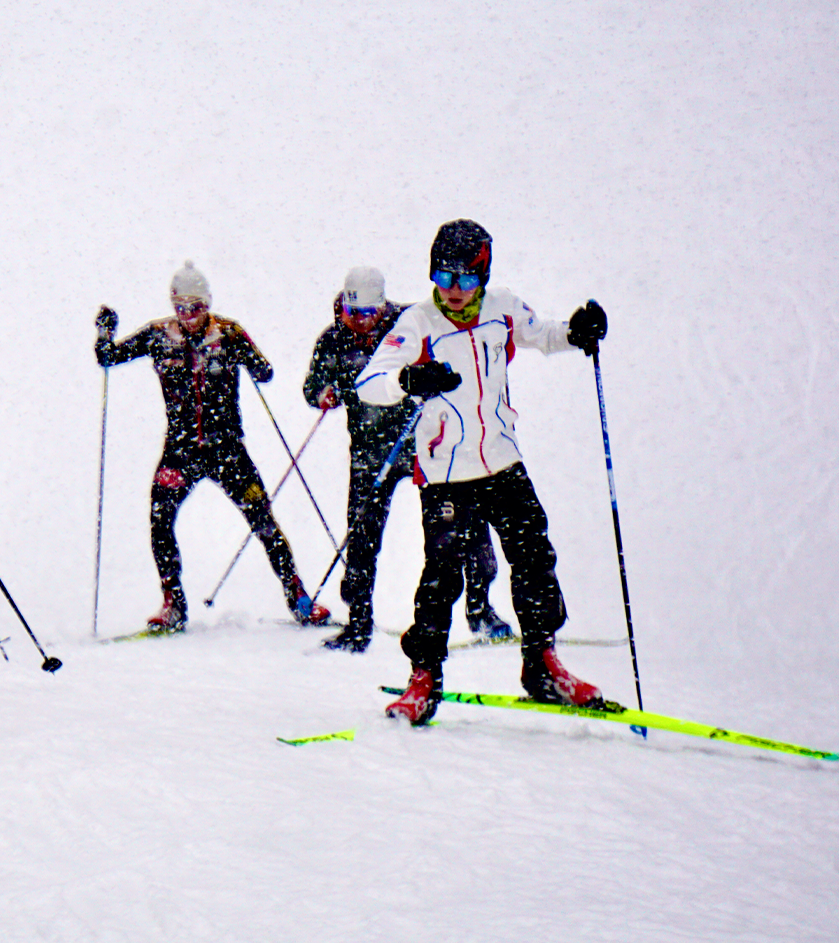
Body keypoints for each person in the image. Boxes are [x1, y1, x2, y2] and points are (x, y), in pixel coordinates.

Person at [354, 219, 609, 724]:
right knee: (442, 573)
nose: (453, 290)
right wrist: (408, 378)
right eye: (443, 276)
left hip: (502, 460)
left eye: (466, 280)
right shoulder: (418, 323)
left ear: (484, 277)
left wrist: (578, 333)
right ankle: (424, 677)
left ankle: (542, 663)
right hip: (447, 470)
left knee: (534, 555)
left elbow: (544, 335)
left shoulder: (502, 309)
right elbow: (369, 382)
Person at [95, 262, 331, 633]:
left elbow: (264, 370)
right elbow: (108, 357)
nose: (188, 316)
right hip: (181, 451)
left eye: (195, 307)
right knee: (160, 519)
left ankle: (298, 597)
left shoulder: (227, 332)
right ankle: (173, 602)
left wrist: (251, 363)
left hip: (227, 450)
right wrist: (104, 333)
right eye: (181, 307)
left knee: (263, 521)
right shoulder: (159, 335)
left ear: (207, 305)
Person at [303, 267, 512, 653]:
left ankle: (481, 609)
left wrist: (434, 380)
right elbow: (312, 386)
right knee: (362, 535)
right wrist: (324, 394)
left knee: (460, 526)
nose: (363, 322)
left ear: (382, 305)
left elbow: (452, 360)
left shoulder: (409, 323)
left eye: (370, 313)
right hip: (370, 453)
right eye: (355, 314)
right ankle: (358, 623)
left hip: (423, 444)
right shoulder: (332, 340)